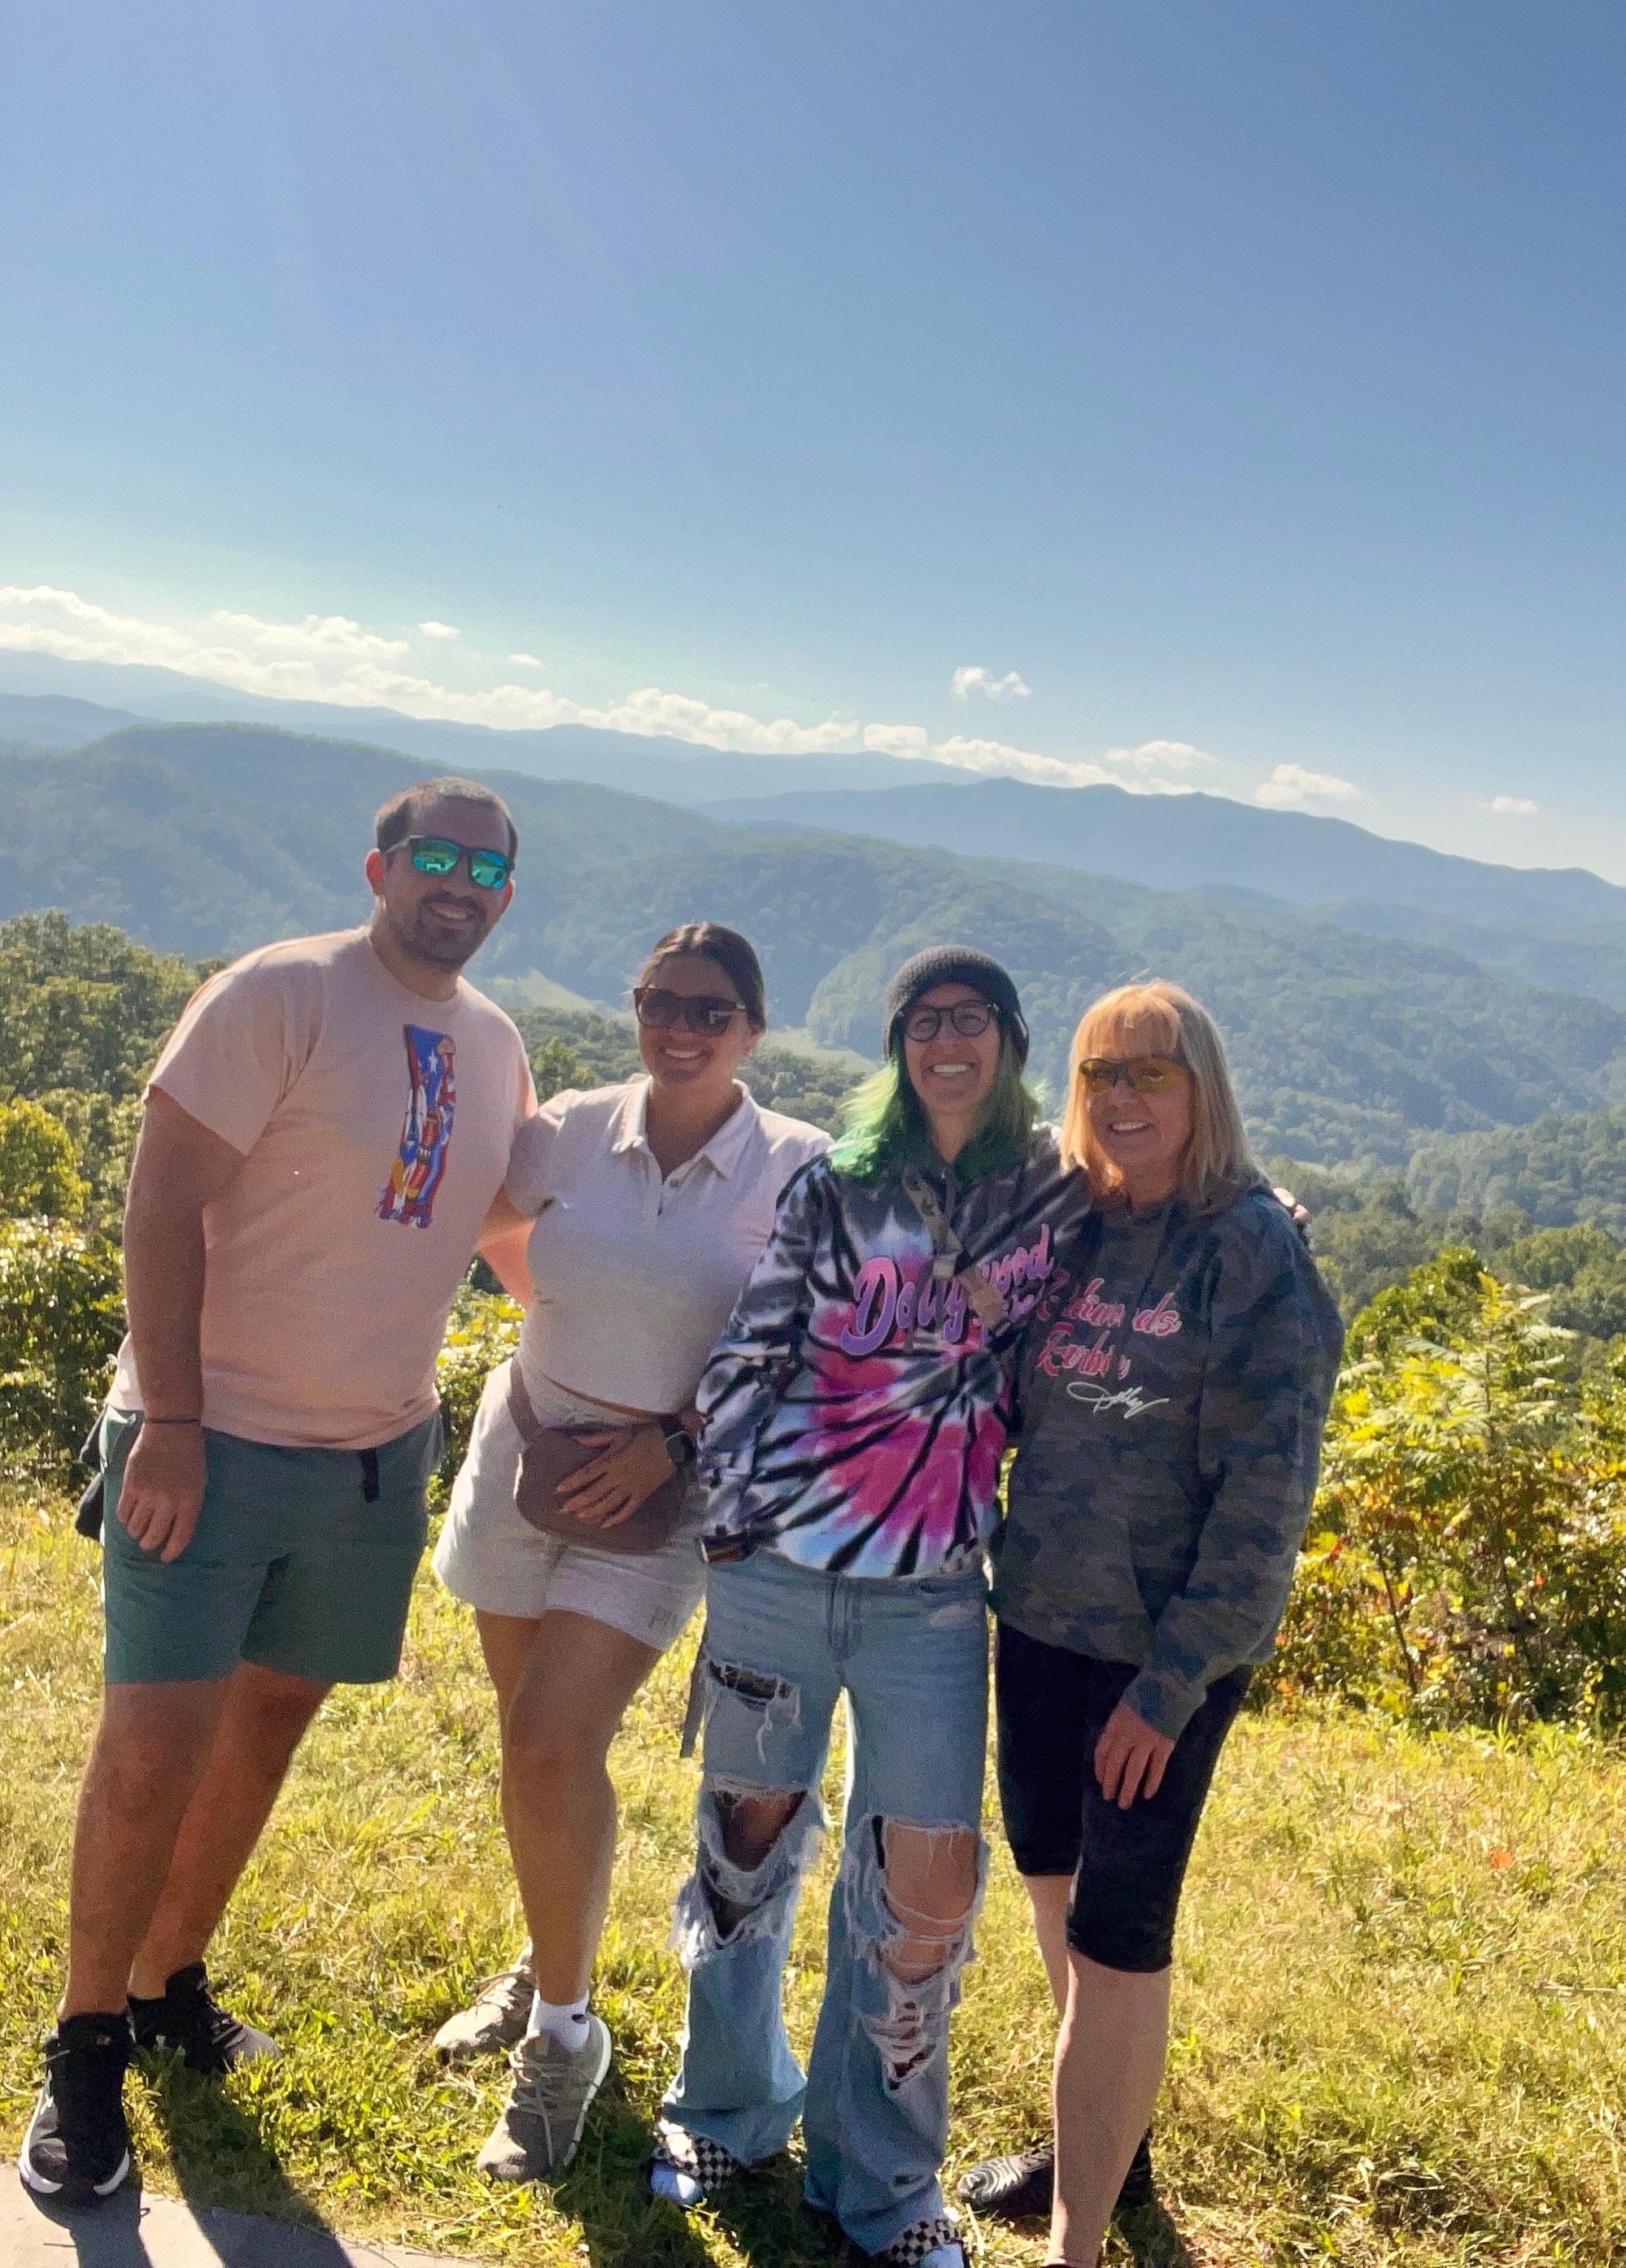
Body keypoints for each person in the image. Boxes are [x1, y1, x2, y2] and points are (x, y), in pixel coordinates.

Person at [20, 777, 541, 2207]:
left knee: (267, 1720)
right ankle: (84, 2047)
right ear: (379, 865)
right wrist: (174, 1422)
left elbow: (511, 1229)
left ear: (508, 892)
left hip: (375, 1454)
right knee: (156, 1736)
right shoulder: (280, 993)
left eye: (486, 866)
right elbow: (159, 1200)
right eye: (432, 856)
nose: (458, 882)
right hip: (216, 1437)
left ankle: (167, 1977)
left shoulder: (496, 1049)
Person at [653, 946, 1081, 2268]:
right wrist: (729, 1525)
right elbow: (752, 1349)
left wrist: (1270, 1209)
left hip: (936, 1597)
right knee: (747, 1848)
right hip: (780, 1568)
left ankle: (881, 2177)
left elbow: (1185, 1217)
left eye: (973, 1022)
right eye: (925, 1024)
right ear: (900, 1045)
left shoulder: (1061, 1199)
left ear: (1011, 1040)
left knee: (924, 1889)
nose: (949, 1044)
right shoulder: (838, 1185)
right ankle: (725, 2108)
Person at [425, 923, 831, 2181]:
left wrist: (673, 1433)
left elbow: (815, 1345)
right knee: (533, 1758)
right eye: (663, 1001)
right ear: (636, 1006)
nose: (684, 1026)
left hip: (662, 1494)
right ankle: (556, 1955)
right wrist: (560, 1322)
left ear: (753, 1031)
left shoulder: (796, 1166)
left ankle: (564, 2038)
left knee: (553, 1746)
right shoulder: (576, 1128)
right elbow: (489, 1221)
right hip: (528, 1449)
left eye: (713, 1010)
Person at [957, 980, 1340, 2265]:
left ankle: (1075, 2245)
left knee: (1119, 1943)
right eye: (1100, 1074)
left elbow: (1265, 1501)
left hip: (1156, 1654)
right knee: (1056, 1899)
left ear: (1202, 1090)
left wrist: (1169, 1687)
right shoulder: (1069, 1224)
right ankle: (1103, 2159)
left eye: (1153, 1075)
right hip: (1043, 1621)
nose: (1123, 1099)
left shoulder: (1250, 1249)